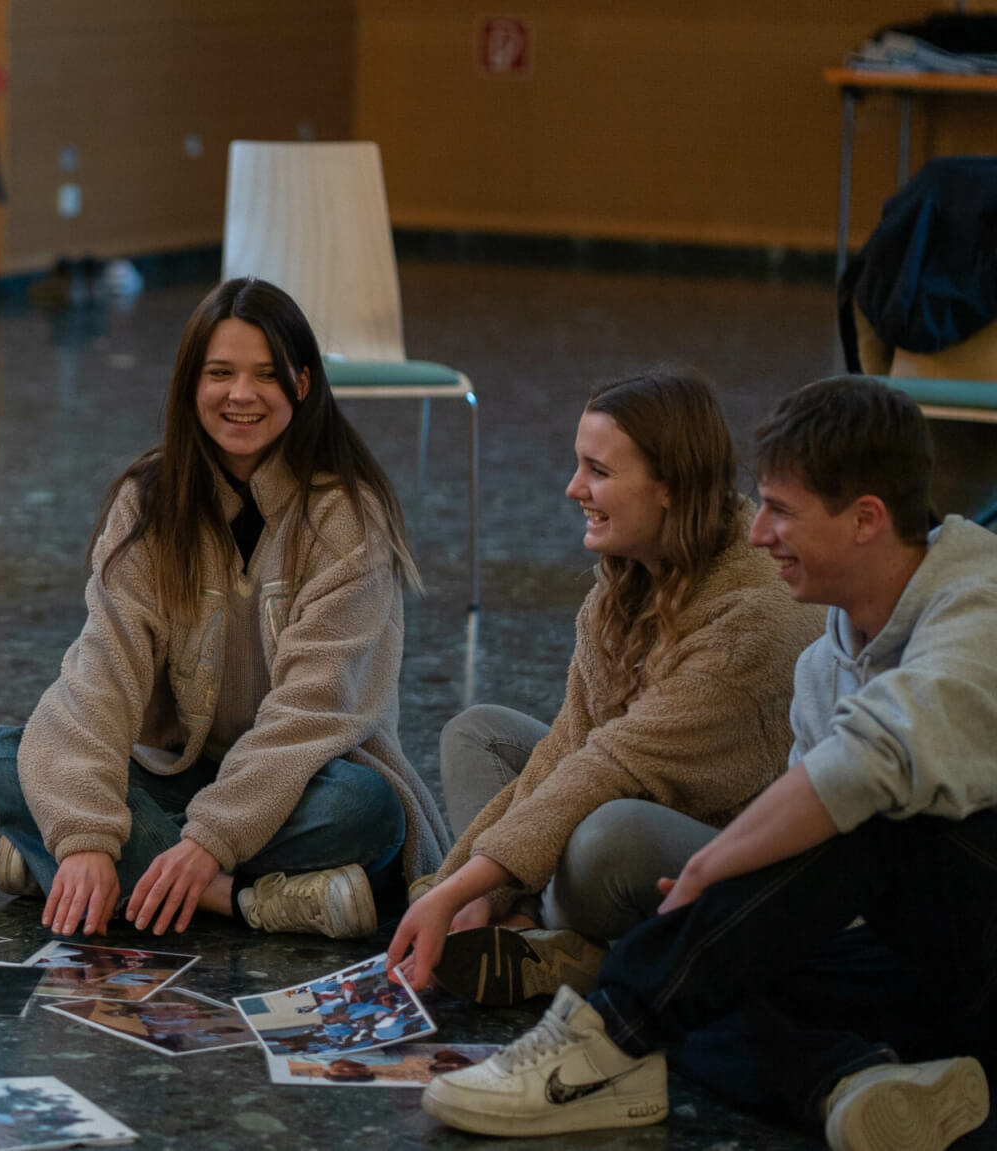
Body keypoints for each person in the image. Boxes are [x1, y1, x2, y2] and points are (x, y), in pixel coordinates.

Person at [421, 377, 996, 1151]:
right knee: (693, 991)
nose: (759, 532)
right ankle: (848, 1084)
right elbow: (573, 747)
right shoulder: (831, 650)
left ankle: (602, 1024)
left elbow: (862, 770)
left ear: (867, 519)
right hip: (915, 960)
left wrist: (710, 872)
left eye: (782, 510)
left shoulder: (978, 604)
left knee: (862, 817)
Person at [0, 277, 451, 940]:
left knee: (368, 811)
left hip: (301, 782)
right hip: (174, 770)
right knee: (4, 754)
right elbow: (101, 671)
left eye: (265, 375)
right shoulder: (149, 501)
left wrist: (212, 837)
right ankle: (241, 901)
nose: (241, 395)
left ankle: (68, 864)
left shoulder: (349, 515)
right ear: (190, 385)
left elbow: (313, 712)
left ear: (303, 383)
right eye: (219, 373)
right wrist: (83, 830)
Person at [388, 372, 821, 1006]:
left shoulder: (751, 622)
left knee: (606, 837)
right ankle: (545, 937)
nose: (572, 489)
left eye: (597, 471)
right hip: (628, 787)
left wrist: (453, 892)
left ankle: (569, 944)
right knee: (477, 734)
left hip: (736, 860)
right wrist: (463, 890)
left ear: (669, 487)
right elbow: (571, 742)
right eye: (577, 465)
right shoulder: (626, 577)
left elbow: (609, 767)